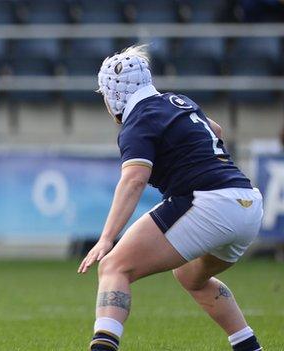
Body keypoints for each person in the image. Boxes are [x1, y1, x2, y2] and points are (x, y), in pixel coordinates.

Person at [78, 45, 264, 351]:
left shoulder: (137, 122)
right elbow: (216, 130)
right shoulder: (178, 101)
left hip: (208, 202)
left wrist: (106, 237)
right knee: (191, 277)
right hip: (248, 203)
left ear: (113, 94)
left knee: (113, 267)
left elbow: (134, 179)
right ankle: (249, 347)